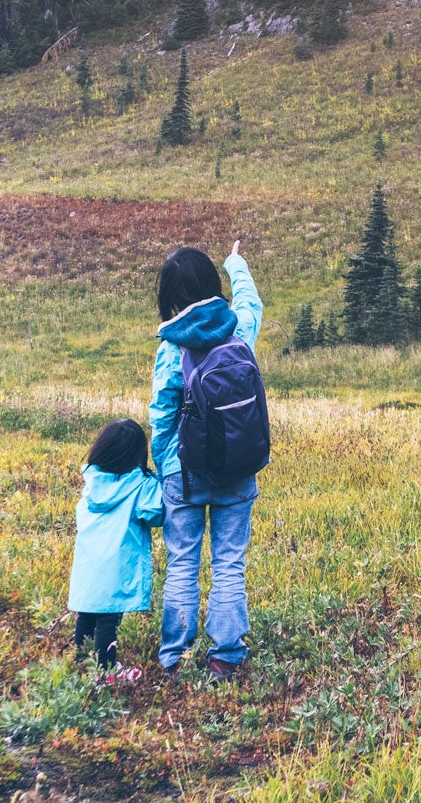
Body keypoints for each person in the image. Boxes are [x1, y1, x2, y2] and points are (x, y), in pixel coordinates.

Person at [149, 240, 264, 678]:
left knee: (182, 563)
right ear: (213, 286)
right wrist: (236, 261)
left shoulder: (170, 348)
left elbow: (161, 415)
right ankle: (226, 655)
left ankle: (174, 655)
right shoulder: (239, 329)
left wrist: (165, 469)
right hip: (237, 464)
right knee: (229, 561)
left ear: (170, 298)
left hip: (185, 472)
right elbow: (251, 301)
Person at [66, 418, 165, 670]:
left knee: (87, 614)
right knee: (108, 620)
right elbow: (155, 514)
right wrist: (159, 479)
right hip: (117, 567)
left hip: (89, 565)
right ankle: (106, 671)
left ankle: (82, 661)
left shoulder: (92, 481)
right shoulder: (141, 485)